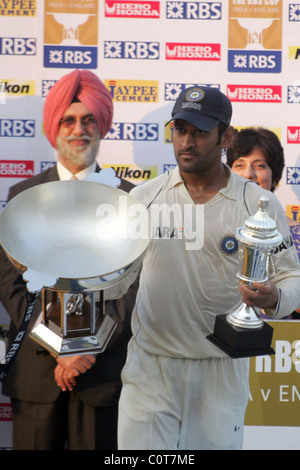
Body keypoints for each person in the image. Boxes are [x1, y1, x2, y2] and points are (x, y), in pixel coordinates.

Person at [117, 86, 300, 450]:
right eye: (181, 130)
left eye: (200, 132)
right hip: (151, 368)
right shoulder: (143, 198)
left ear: (226, 137)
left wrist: (275, 296)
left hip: (221, 368)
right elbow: (116, 278)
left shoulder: (258, 203)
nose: (187, 141)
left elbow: (290, 274)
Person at [0, 69, 137, 450]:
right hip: (36, 372)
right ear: (54, 128)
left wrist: (88, 348)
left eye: (89, 118)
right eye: (69, 119)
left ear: (102, 125)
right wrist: (59, 349)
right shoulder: (23, 195)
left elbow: (135, 284)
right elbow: (11, 283)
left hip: (102, 373)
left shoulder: (129, 198)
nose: (80, 129)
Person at [226, 127, 300, 317]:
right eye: (239, 164)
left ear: (274, 175)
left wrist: (278, 297)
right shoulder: (215, 223)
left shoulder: (295, 231)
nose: (248, 174)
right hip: (218, 333)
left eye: (259, 165)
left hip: (284, 339)